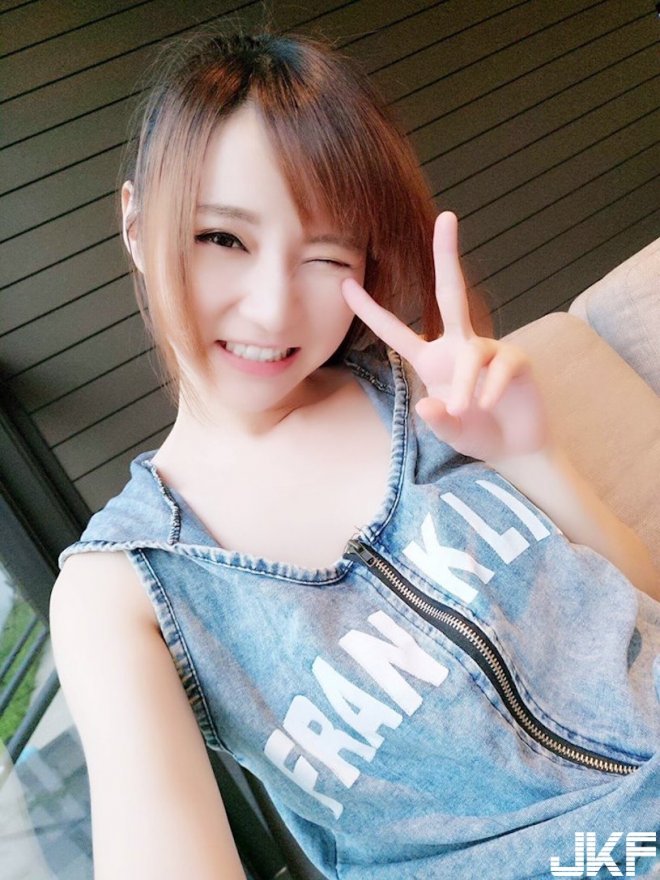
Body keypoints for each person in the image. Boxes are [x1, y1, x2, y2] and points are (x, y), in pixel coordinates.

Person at [49, 30, 660, 880]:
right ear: (136, 224)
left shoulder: (424, 392)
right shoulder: (124, 587)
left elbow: (643, 610)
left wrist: (533, 452)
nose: (272, 309)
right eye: (221, 238)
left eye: (325, 255)